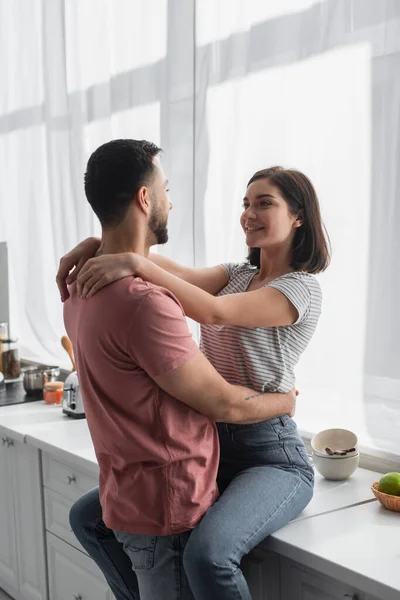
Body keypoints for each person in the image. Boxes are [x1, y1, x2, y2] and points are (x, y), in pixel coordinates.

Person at [60, 139, 299, 600]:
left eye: (264, 203)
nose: (171, 199)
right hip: (182, 480)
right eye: (165, 188)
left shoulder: (80, 287)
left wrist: (113, 252)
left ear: (298, 217)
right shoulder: (154, 297)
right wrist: (286, 399)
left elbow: (212, 310)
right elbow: (221, 397)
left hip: (258, 447)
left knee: (107, 526)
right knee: (95, 522)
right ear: (145, 199)